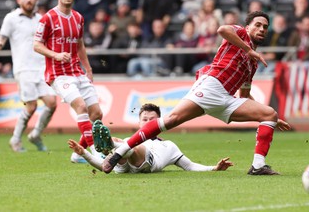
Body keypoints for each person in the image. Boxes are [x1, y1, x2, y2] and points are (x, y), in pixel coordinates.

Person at [101, 11, 291, 175]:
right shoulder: (240, 34)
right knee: (171, 120)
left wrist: (266, 116)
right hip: (211, 86)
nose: (261, 29)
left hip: (225, 99)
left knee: (269, 113)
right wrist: (248, 49)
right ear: (248, 27)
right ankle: (120, 152)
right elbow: (222, 30)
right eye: (257, 25)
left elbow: (244, 95)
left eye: (265, 27)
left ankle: (258, 167)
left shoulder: (254, 62)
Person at [33, 0, 103, 162]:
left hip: (77, 72)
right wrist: (55, 55)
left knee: (97, 113)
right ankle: (95, 152)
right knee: (81, 106)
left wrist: (87, 68)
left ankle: (77, 154)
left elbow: (80, 45)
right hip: (58, 74)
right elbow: (36, 45)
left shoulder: (79, 18)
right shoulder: (47, 18)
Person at [68, 103, 234, 173]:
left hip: (146, 159)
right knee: (126, 145)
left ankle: (111, 143)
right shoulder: (129, 139)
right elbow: (103, 166)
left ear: (160, 123)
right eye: (144, 120)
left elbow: (190, 166)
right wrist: (83, 153)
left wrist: (213, 168)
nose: (147, 123)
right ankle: (111, 145)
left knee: (129, 146)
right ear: (139, 123)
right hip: (122, 164)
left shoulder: (169, 146)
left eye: (152, 120)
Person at [0, 0, 57, 152]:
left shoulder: (42, 19)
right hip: (23, 69)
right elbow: (1, 38)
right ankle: (15, 139)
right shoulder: (11, 18)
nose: (29, 0)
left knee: (52, 103)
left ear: (36, 0)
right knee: (31, 107)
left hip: (42, 68)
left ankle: (36, 134)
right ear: (19, 0)